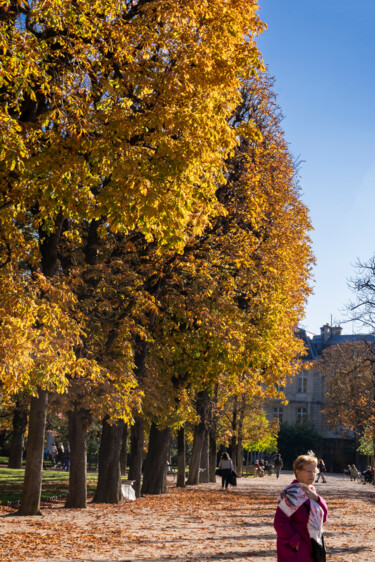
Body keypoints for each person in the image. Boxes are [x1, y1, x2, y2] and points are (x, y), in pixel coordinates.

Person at [274, 453, 328, 561]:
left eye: (314, 471)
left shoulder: (311, 491)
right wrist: (296, 542)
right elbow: (279, 522)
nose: (312, 475)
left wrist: (317, 499)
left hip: (312, 546)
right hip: (294, 551)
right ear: (297, 472)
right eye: (309, 471)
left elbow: (324, 517)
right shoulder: (292, 494)